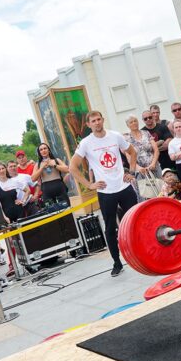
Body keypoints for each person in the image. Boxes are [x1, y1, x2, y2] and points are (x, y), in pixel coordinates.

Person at [70, 111, 138, 277]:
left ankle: (142, 253)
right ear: (88, 124)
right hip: (105, 191)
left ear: (103, 120)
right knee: (109, 228)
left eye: (99, 119)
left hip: (123, 185)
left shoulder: (115, 136)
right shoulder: (86, 143)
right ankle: (117, 262)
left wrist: (132, 172)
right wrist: (89, 185)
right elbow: (73, 167)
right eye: (93, 121)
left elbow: (132, 152)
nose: (97, 123)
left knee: (136, 221)